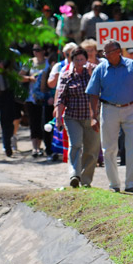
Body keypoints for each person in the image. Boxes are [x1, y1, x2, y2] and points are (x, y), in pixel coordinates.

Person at [86, 39, 133, 193]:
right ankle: (114, 184)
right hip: (109, 109)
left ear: (118, 52)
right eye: (104, 52)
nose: (105, 55)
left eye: (108, 52)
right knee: (109, 148)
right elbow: (93, 94)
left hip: (131, 108)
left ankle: (132, 184)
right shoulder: (100, 69)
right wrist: (93, 116)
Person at [54, 47, 99, 188]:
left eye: (82, 59)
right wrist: (58, 118)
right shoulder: (66, 76)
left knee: (91, 150)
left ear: (86, 59)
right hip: (73, 117)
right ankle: (74, 175)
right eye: (76, 60)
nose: (79, 62)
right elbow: (61, 99)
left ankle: (86, 181)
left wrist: (91, 74)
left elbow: (100, 90)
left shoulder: (94, 71)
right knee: (75, 145)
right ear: (72, 60)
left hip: (92, 117)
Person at [21, 45, 50, 158]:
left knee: (42, 122)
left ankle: (41, 145)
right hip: (31, 97)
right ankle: (35, 147)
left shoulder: (48, 63)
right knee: (33, 122)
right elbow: (19, 77)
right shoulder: (29, 62)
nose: (35, 52)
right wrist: (30, 78)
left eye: (38, 50)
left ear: (44, 51)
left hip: (44, 97)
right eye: (34, 50)